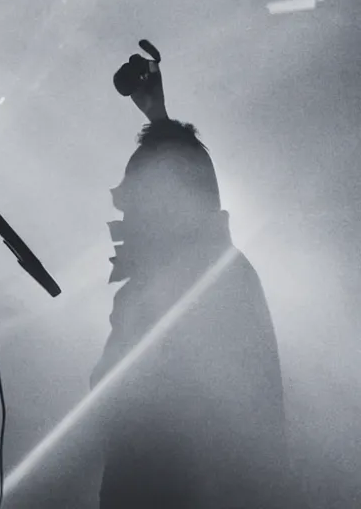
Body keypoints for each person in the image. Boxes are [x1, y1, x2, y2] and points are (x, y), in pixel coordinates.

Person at [92, 44, 291, 508]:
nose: (125, 209)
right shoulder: (216, 270)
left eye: (136, 196)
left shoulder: (197, 283)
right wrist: (159, 119)